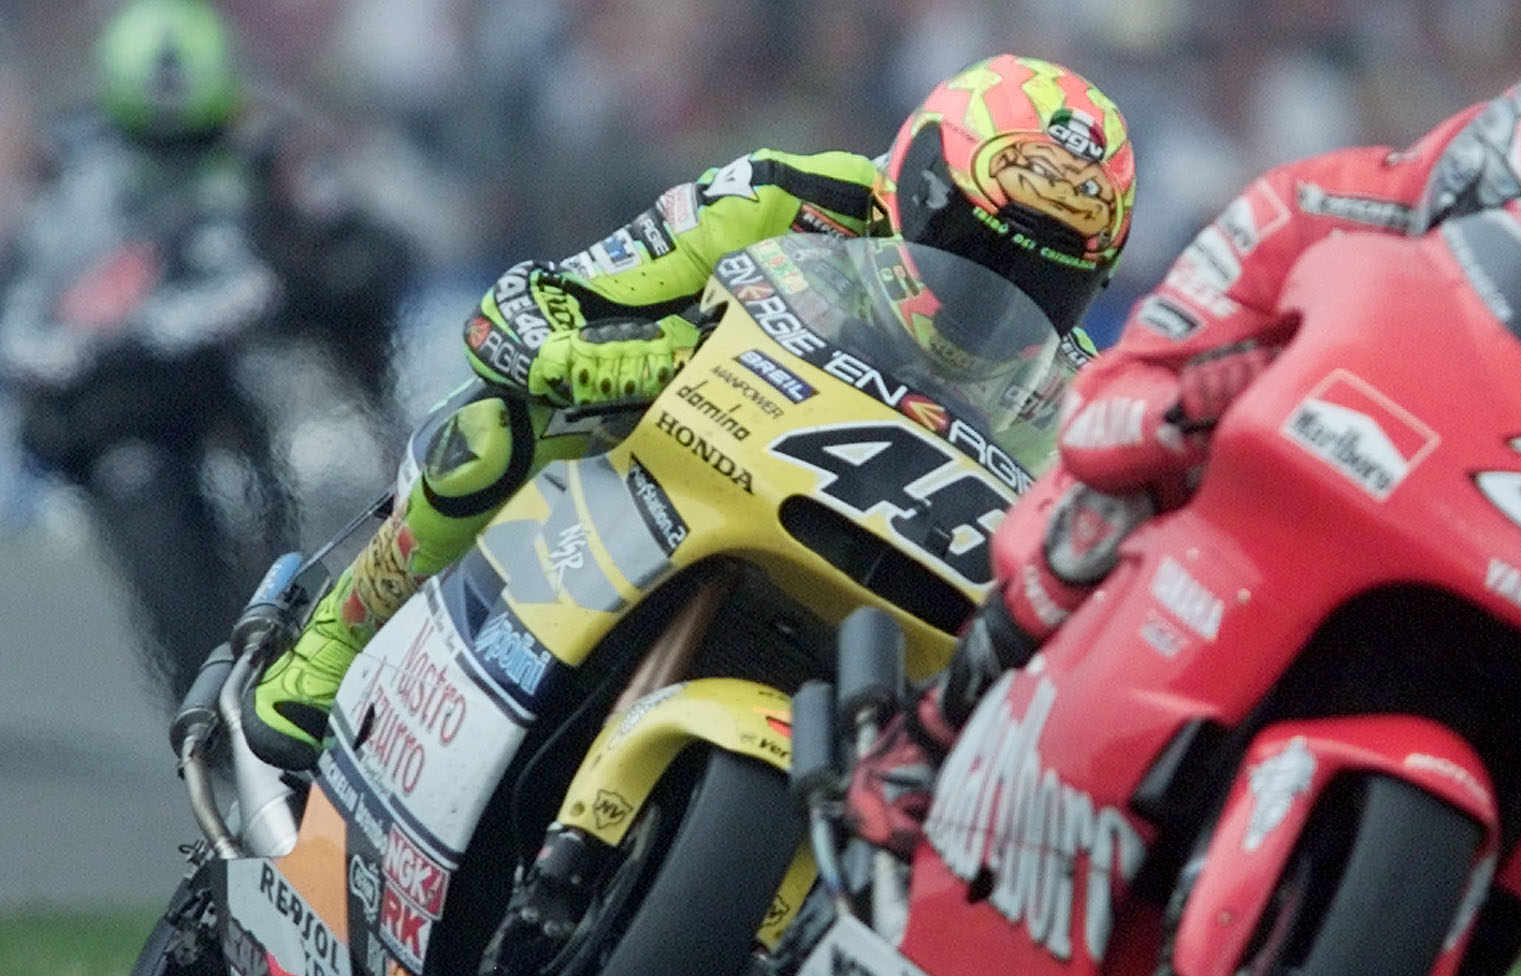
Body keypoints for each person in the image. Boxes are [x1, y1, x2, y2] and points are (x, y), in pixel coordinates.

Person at [844, 69, 1521, 853]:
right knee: (1106, 501)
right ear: (1467, 191)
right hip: (1252, 491)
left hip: (1444, 524)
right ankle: (930, 734)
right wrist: (1195, 405)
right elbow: (1106, 408)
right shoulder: (1315, 205)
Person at [243, 52, 1137, 770]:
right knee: (491, 431)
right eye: (973, 250)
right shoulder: (792, 196)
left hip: (876, 582)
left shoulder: (1072, 388)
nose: (996, 294)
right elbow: (541, 302)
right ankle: (328, 650)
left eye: (1041, 281)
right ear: (912, 185)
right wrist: (589, 357)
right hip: (678, 460)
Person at [0, 0, 414, 696]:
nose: (177, 160)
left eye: (191, 140)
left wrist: (312, 275)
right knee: (135, 489)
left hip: (280, 391)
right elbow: (30, 304)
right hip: (144, 403)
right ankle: (220, 691)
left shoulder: (274, 149)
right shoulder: (72, 171)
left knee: (345, 498)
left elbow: (376, 254)